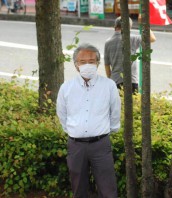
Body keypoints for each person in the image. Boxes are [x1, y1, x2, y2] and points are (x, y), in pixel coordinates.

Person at [56, 43, 121, 198]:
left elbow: (115, 112)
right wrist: (74, 131)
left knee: (108, 188)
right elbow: (62, 114)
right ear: (76, 65)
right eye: (83, 62)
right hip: (76, 145)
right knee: (78, 188)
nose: (87, 65)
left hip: (101, 144)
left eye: (91, 61)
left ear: (98, 63)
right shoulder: (66, 88)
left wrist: (106, 131)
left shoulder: (109, 85)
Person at [104, 15, 156, 93]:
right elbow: (152, 39)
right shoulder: (132, 38)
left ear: (115, 26)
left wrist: (111, 81)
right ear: (129, 27)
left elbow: (107, 65)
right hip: (131, 81)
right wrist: (144, 24)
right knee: (132, 104)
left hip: (115, 81)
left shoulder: (108, 42)